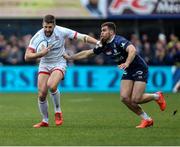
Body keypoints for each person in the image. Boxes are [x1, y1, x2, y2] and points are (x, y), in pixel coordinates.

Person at [63, 22, 166, 128]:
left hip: (139, 68)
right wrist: (70, 57)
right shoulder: (103, 45)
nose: (101, 33)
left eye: (104, 30)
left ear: (111, 32)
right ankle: (147, 119)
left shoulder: (119, 41)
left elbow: (132, 50)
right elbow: (88, 53)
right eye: (101, 30)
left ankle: (157, 96)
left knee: (136, 99)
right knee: (124, 98)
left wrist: (127, 63)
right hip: (128, 70)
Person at [25, 14, 98, 128]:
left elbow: (81, 36)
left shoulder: (61, 31)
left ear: (54, 25)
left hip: (59, 61)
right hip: (44, 64)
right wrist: (41, 54)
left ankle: (58, 111)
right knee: (42, 94)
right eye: (45, 27)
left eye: (50, 27)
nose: (48, 29)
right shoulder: (37, 37)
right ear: (42, 25)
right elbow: (27, 56)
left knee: (52, 86)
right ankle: (45, 121)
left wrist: (97, 42)